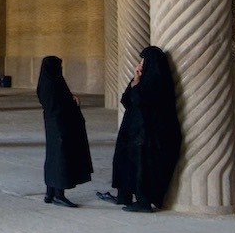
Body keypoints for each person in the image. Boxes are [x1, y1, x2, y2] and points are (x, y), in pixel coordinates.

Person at [98, 46, 182, 213]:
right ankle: (123, 195)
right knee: (125, 162)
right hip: (133, 131)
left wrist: (137, 84)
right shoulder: (143, 79)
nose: (140, 64)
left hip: (148, 134)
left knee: (142, 167)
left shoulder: (158, 81)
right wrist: (135, 80)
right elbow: (126, 100)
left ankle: (143, 202)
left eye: (143, 60)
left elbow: (141, 100)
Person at [36, 55, 93, 207]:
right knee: (61, 158)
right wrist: (72, 104)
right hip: (61, 125)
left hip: (52, 125)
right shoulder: (54, 83)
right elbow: (60, 105)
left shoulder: (45, 82)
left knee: (53, 157)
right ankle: (59, 195)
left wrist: (69, 98)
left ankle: (50, 193)